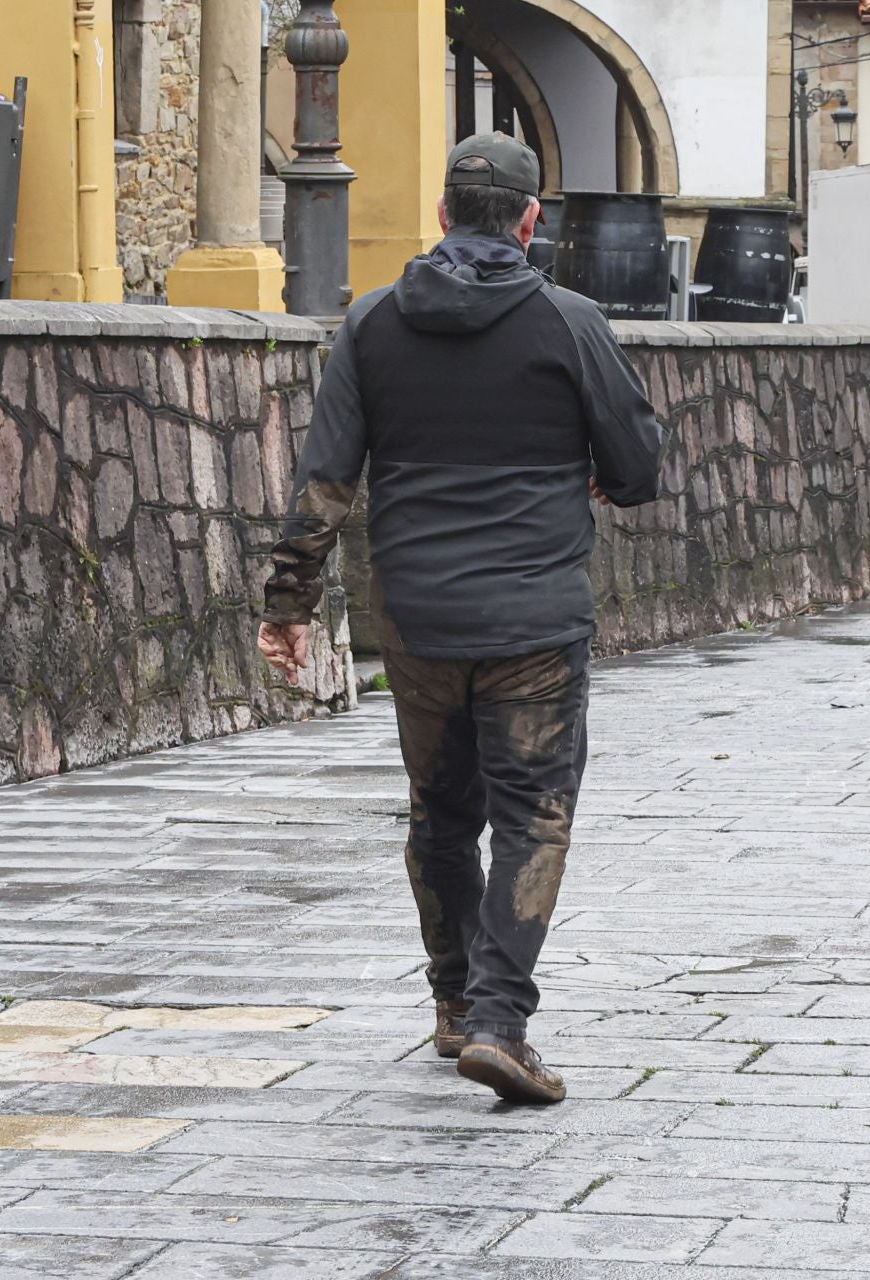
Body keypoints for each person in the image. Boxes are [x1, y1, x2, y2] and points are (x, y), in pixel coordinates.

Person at [257, 133, 664, 1105]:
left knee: (443, 811)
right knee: (533, 813)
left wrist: (287, 602)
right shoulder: (571, 323)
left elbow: (326, 481)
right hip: (533, 622)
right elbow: (639, 469)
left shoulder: (370, 324)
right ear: (532, 221)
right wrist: (596, 472)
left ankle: (452, 1005)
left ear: (441, 216)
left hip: (420, 619)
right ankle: (501, 1022)